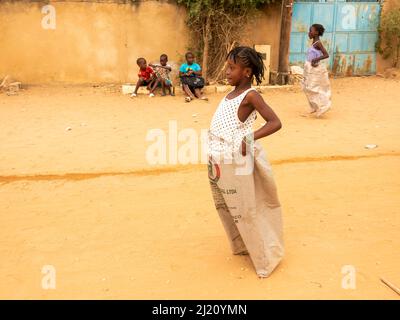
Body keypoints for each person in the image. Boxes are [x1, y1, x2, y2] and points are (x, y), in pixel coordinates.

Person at [207, 46, 284, 278]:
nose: (227, 71)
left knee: (245, 210)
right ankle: (242, 246)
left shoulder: (250, 96)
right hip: (217, 160)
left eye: (232, 68)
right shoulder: (229, 94)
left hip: (234, 161)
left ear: (247, 72)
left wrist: (250, 138)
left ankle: (263, 261)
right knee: (226, 207)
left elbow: (274, 122)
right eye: (227, 67)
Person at [301, 23, 331, 117]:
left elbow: (326, 54)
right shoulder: (314, 42)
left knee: (314, 88)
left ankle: (323, 107)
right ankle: (314, 107)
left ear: (316, 33)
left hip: (315, 70)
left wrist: (316, 59)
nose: (309, 32)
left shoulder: (318, 43)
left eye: (311, 31)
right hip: (309, 68)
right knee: (307, 87)